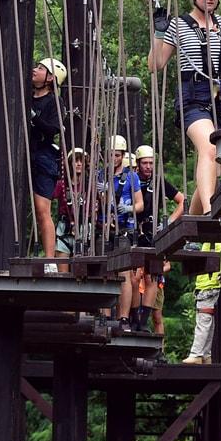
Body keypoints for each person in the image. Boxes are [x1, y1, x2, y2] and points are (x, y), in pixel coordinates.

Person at [148, 0, 221, 217]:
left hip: (220, 96)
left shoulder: (219, 24)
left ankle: (191, 218)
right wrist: (159, 33)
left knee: (216, 167)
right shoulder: (179, 24)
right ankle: (210, 210)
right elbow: (155, 65)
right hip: (193, 96)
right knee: (210, 148)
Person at [132, 144, 186, 334]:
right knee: (135, 275)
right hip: (133, 231)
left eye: (150, 163)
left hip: (153, 232)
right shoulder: (131, 180)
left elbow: (182, 201)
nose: (148, 167)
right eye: (144, 163)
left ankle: (142, 322)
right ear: (138, 164)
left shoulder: (159, 182)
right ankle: (132, 318)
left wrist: (169, 222)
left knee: (152, 276)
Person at [98, 134, 143, 318]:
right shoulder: (100, 175)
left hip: (124, 229)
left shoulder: (131, 177)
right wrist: (101, 193)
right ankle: (105, 315)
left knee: (124, 274)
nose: (114, 158)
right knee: (104, 272)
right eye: (112, 154)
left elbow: (140, 205)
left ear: (122, 155)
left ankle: (123, 317)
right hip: (105, 228)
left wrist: (128, 208)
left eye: (117, 155)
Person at [29, 56, 66, 266]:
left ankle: (50, 259)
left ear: (50, 78)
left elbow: (54, 128)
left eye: (40, 68)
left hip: (43, 156)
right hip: (25, 153)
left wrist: (33, 116)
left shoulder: (54, 102)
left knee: (42, 209)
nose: (35, 70)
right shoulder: (27, 96)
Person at [183, 240, 221, 365]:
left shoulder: (213, 244)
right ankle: (205, 355)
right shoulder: (206, 245)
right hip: (207, 288)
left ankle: (196, 354)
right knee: (208, 323)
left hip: (208, 288)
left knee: (203, 322)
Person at [53, 147, 87, 263]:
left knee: (81, 271)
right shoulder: (61, 185)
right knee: (63, 273)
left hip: (83, 230)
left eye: (81, 161)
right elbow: (48, 198)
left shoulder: (89, 186)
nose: (78, 164)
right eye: (75, 161)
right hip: (64, 229)